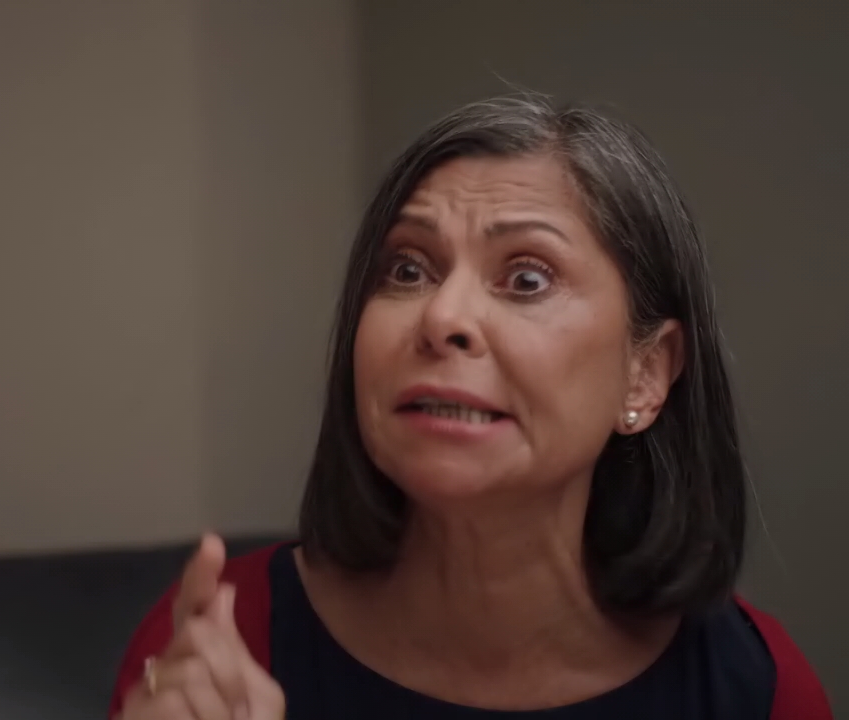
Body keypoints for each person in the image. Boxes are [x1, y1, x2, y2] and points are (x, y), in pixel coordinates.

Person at [108, 95, 831, 719]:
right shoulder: (217, 648)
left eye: (527, 279)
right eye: (408, 269)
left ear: (644, 375)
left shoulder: (755, 686)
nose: (442, 316)